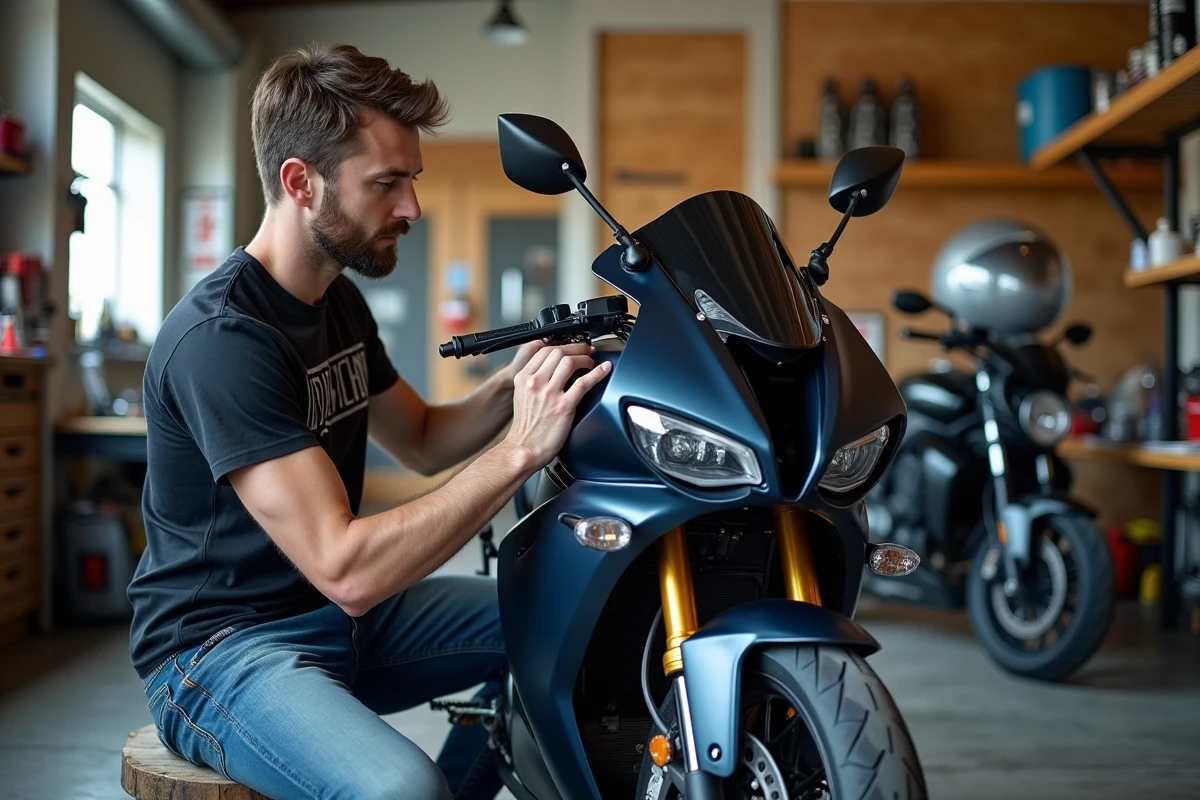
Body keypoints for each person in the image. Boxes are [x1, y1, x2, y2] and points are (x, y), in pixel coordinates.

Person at [128, 42, 610, 800]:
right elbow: (345, 569)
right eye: (387, 184)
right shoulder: (222, 339)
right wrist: (521, 448)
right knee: (398, 789)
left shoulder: (336, 300)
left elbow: (421, 441)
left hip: (333, 617)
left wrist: (523, 383)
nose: (412, 208)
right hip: (220, 651)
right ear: (301, 182)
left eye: (411, 181)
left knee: (566, 620)